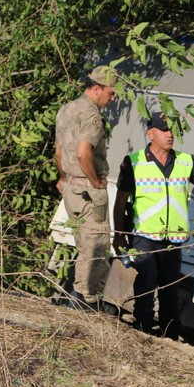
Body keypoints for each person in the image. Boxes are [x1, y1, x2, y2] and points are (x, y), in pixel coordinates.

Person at [112, 112, 194, 339]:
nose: (170, 134)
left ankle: (169, 335)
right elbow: (120, 201)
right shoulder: (133, 162)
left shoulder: (184, 161)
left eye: (172, 130)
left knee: (169, 288)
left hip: (173, 237)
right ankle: (142, 330)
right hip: (144, 234)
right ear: (150, 133)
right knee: (146, 281)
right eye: (164, 130)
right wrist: (119, 235)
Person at [55, 65, 118, 309]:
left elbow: (59, 151)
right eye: (110, 93)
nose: (112, 99)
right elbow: (83, 153)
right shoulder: (92, 116)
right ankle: (85, 301)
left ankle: (78, 298)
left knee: (84, 246)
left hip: (70, 188)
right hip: (88, 191)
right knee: (97, 248)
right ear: (97, 89)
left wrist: (63, 179)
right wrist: (95, 182)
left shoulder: (66, 109)